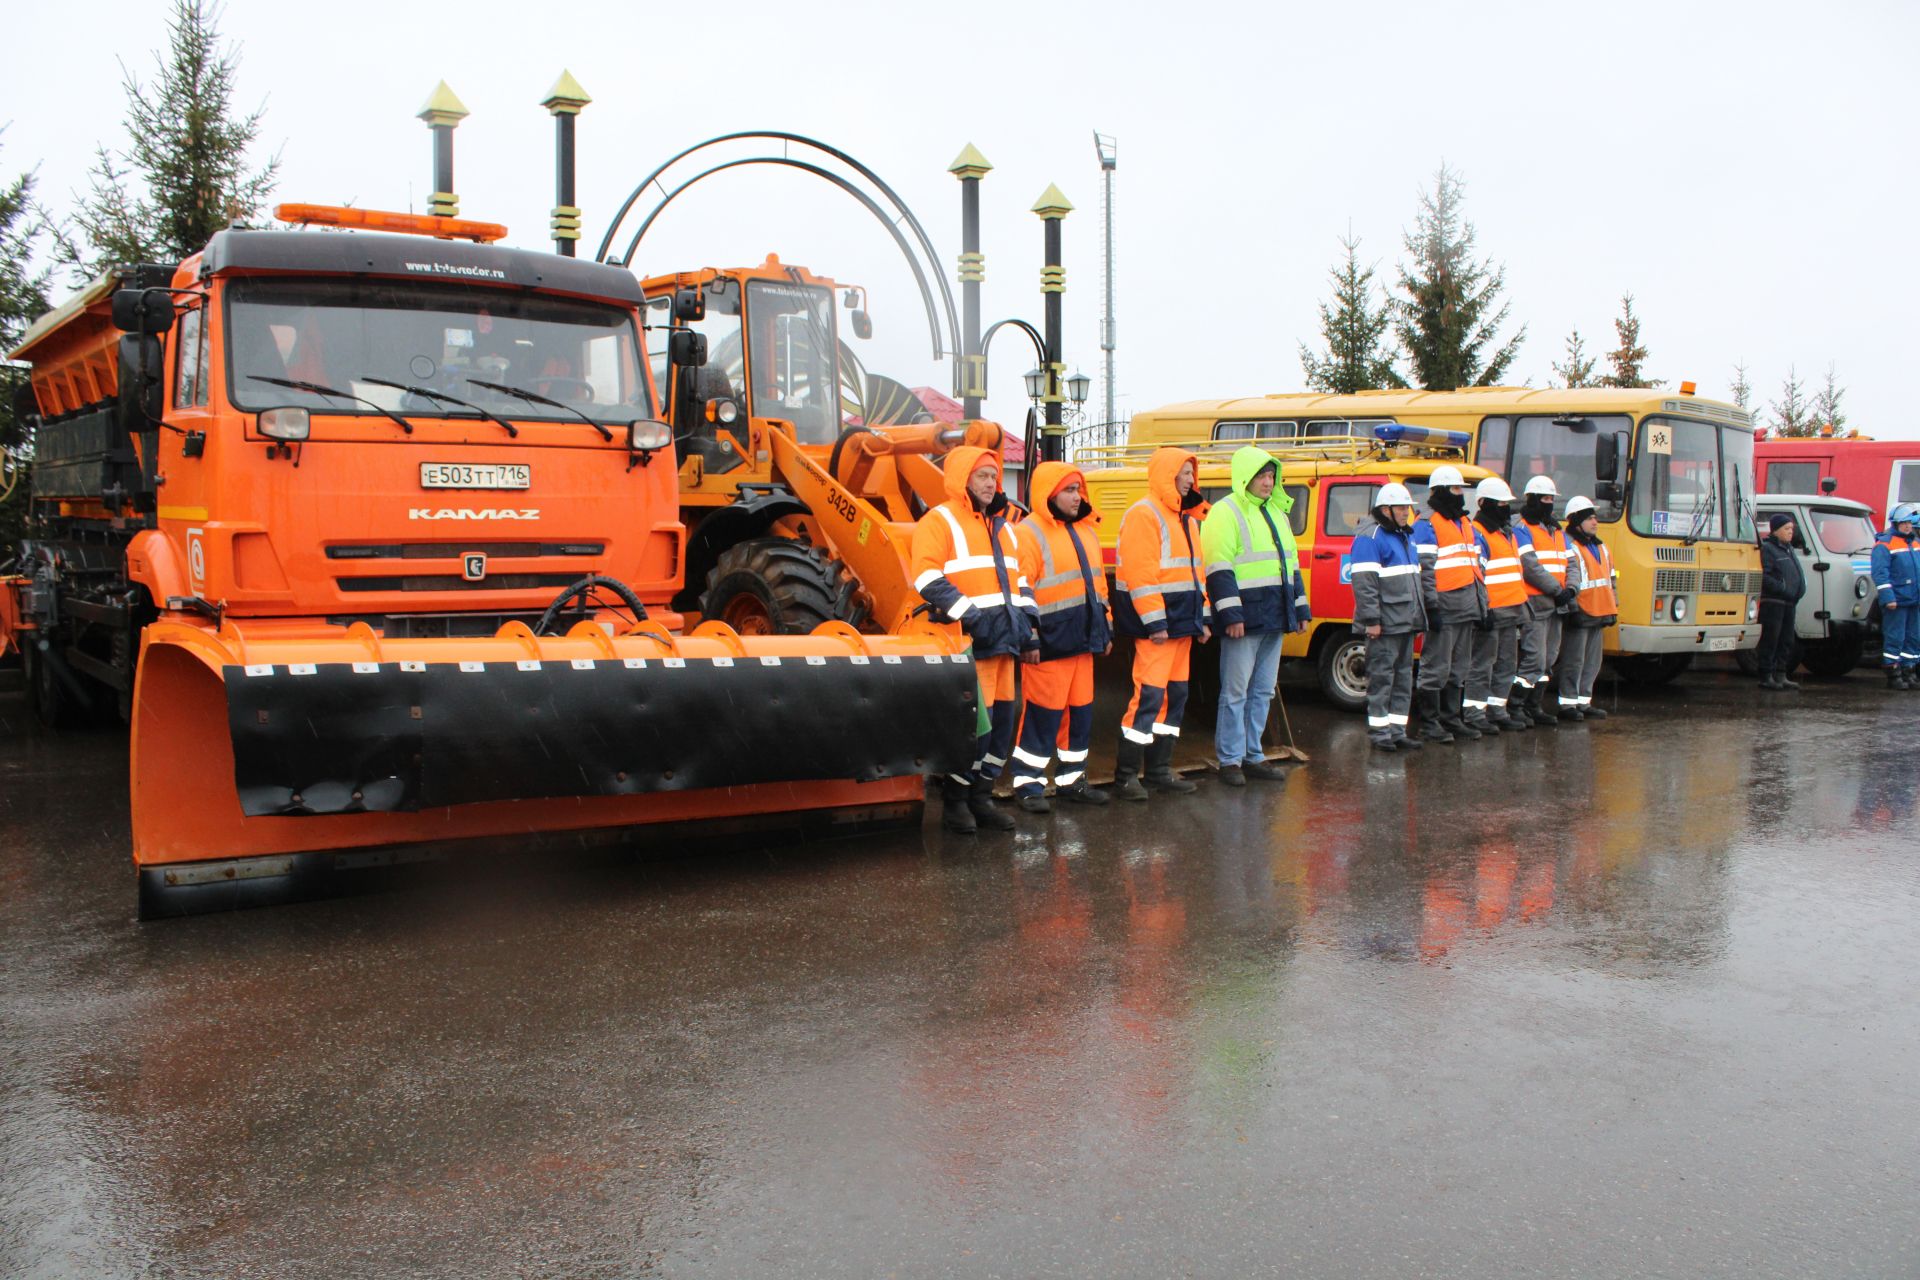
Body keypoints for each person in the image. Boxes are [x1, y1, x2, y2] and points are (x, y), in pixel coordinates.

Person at [910, 446, 1040, 833]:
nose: (990, 483)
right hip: (969, 644)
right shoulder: (940, 521)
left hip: (1005, 643)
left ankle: (981, 799)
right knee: (974, 732)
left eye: (994, 476)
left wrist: (1029, 622)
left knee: (1000, 727)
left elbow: (1021, 582)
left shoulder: (1004, 528)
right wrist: (972, 617)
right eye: (982, 475)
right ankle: (955, 805)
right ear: (963, 478)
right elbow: (925, 578)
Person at [1009, 462, 1114, 812]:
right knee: (1043, 715)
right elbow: (1020, 589)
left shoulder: (1086, 531)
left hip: (1082, 642)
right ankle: (1028, 784)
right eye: (1069, 490)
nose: (1077, 496)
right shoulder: (1028, 533)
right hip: (1050, 643)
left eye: (1078, 490)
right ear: (1049, 494)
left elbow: (1099, 587)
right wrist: (1030, 638)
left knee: (1080, 714)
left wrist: (1106, 627)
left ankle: (1072, 781)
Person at [1203, 446, 1310, 784]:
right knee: (1235, 692)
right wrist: (1231, 615)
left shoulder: (1276, 512)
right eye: (1263, 475)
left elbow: (1291, 566)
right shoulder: (1225, 512)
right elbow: (1218, 569)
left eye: (1272, 475)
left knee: (1263, 690)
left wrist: (1301, 608)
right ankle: (1231, 761)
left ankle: (1253, 755)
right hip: (1245, 620)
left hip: (1274, 616)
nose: (1269, 481)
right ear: (1246, 476)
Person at [1112, 446, 1211, 800]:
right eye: (1183, 473)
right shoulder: (1145, 513)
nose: (1190, 479)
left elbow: (1197, 573)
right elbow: (1141, 574)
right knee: (1149, 698)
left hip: (1181, 624)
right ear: (1167, 475)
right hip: (1160, 628)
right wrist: (1155, 622)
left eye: (1191, 473)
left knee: (1175, 697)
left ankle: (1157, 770)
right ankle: (1126, 777)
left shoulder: (1187, 517)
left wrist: (1204, 617)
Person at [1411, 464, 1486, 743]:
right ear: (1440, 490)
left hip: (1466, 606)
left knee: (1458, 668)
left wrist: (1481, 606)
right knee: (1436, 667)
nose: (1460, 494)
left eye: (1461, 489)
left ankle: (1451, 719)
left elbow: (1476, 567)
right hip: (1443, 607)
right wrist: (1431, 608)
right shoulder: (1426, 523)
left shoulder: (1463, 522)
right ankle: (1429, 723)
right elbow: (1425, 570)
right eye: (1455, 489)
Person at [1351, 482, 1428, 751]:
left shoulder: (1404, 535)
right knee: (1382, 679)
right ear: (1386, 509)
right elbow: (1364, 583)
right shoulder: (1370, 537)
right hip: (1385, 624)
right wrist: (1372, 621)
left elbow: (1414, 580)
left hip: (1405, 622)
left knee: (1403, 678)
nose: (1407, 512)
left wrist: (1419, 618)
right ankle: (1380, 734)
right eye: (1402, 508)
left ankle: (1397, 731)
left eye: (1408, 507)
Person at [1513, 475, 1581, 725]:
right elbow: (1530, 566)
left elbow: (1572, 562)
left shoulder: (1557, 531)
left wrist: (1571, 589)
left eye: (1552, 499)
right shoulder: (1522, 530)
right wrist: (1557, 590)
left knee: (1549, 660)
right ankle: (1516, 705)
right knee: (1535, 658)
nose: (1549, 503)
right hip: (1536, 604)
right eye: (1545, 498)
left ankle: (1534, 706)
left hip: (1557, 605)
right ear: (1531, 499)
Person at [1466, 477, 1529, 733]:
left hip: (1512, 609)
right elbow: (1477, 575)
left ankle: (1496, 710)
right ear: (1483, 503)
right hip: (1492, 611)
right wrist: (1484, 610)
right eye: (1500, 503)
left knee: (1505, 665)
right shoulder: (1478, 533)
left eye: (1507, 503)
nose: (1506, 508)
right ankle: (1474, 713)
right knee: (1482, 664)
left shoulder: (1506, 531)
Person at [1554, 495, 1617, 720]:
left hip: (1599, 611)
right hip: (1580, 612)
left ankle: (1583, 701)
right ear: (1576, 521)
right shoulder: (1570, 546)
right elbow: (1566, 579)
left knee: (1592, 661)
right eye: (1590, 518)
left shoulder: (1601, 547)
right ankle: (1568, 704)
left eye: (1595, 518)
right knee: (1574, 660)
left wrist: (1613, 607)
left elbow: (1611, 579)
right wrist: (1572, 609)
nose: (1595, 522)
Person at [1869, 502, 1920, 690]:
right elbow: (1880, 574)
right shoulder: (1884, 545)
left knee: (1913, 638)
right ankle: (1893, 673)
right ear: (1895, 523)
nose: (1907, 526)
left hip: (1914, 600)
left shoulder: (1915, 543)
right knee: (1895, 638)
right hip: (1897, 601)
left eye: (1909, 523)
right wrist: (1888, 597)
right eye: (1904, 523)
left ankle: (1909, 671)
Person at [1757, 512, 1808, 691]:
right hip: (1774, 602)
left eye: (1792, 529)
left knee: (1786, 640)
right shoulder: (1768, 549)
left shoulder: (1789, 548)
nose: (1790, 532)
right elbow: (1765, 576)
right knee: (1771, 639)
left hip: (1789, 602)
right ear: (1776, 530)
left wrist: (1798, 589)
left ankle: (1780, 674)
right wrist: (1783, 589)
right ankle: (1766, 676)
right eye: (1786, 529)